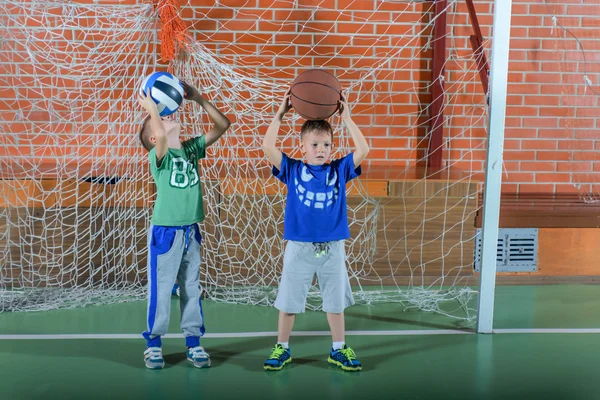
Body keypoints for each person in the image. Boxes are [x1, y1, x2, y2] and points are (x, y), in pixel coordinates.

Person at [261, 90, 369, 371]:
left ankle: (338, 349)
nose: (321, 149)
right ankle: (282, 347)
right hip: (299, 246)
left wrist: (348, 119)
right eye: (314, 144)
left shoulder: (339, 170)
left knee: (335, 302)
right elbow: (267, 146)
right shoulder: (292, 169)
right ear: (302, 147)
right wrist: (279, 115)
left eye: (326, 144)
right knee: (289, 300)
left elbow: (363, 150)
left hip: (332, 247)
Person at [137, 81, 231, 369]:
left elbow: (222, 125)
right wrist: (152, 108)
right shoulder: (159, 157)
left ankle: (193, 342)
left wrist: (200, 99)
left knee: (191, 287)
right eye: (162, 120)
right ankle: (153, 343)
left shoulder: (190, 150)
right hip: (165, 233)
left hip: (191, 230)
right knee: (161, 289)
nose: (167, 116)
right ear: (154, 138)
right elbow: (163, 140)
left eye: (165, 115)